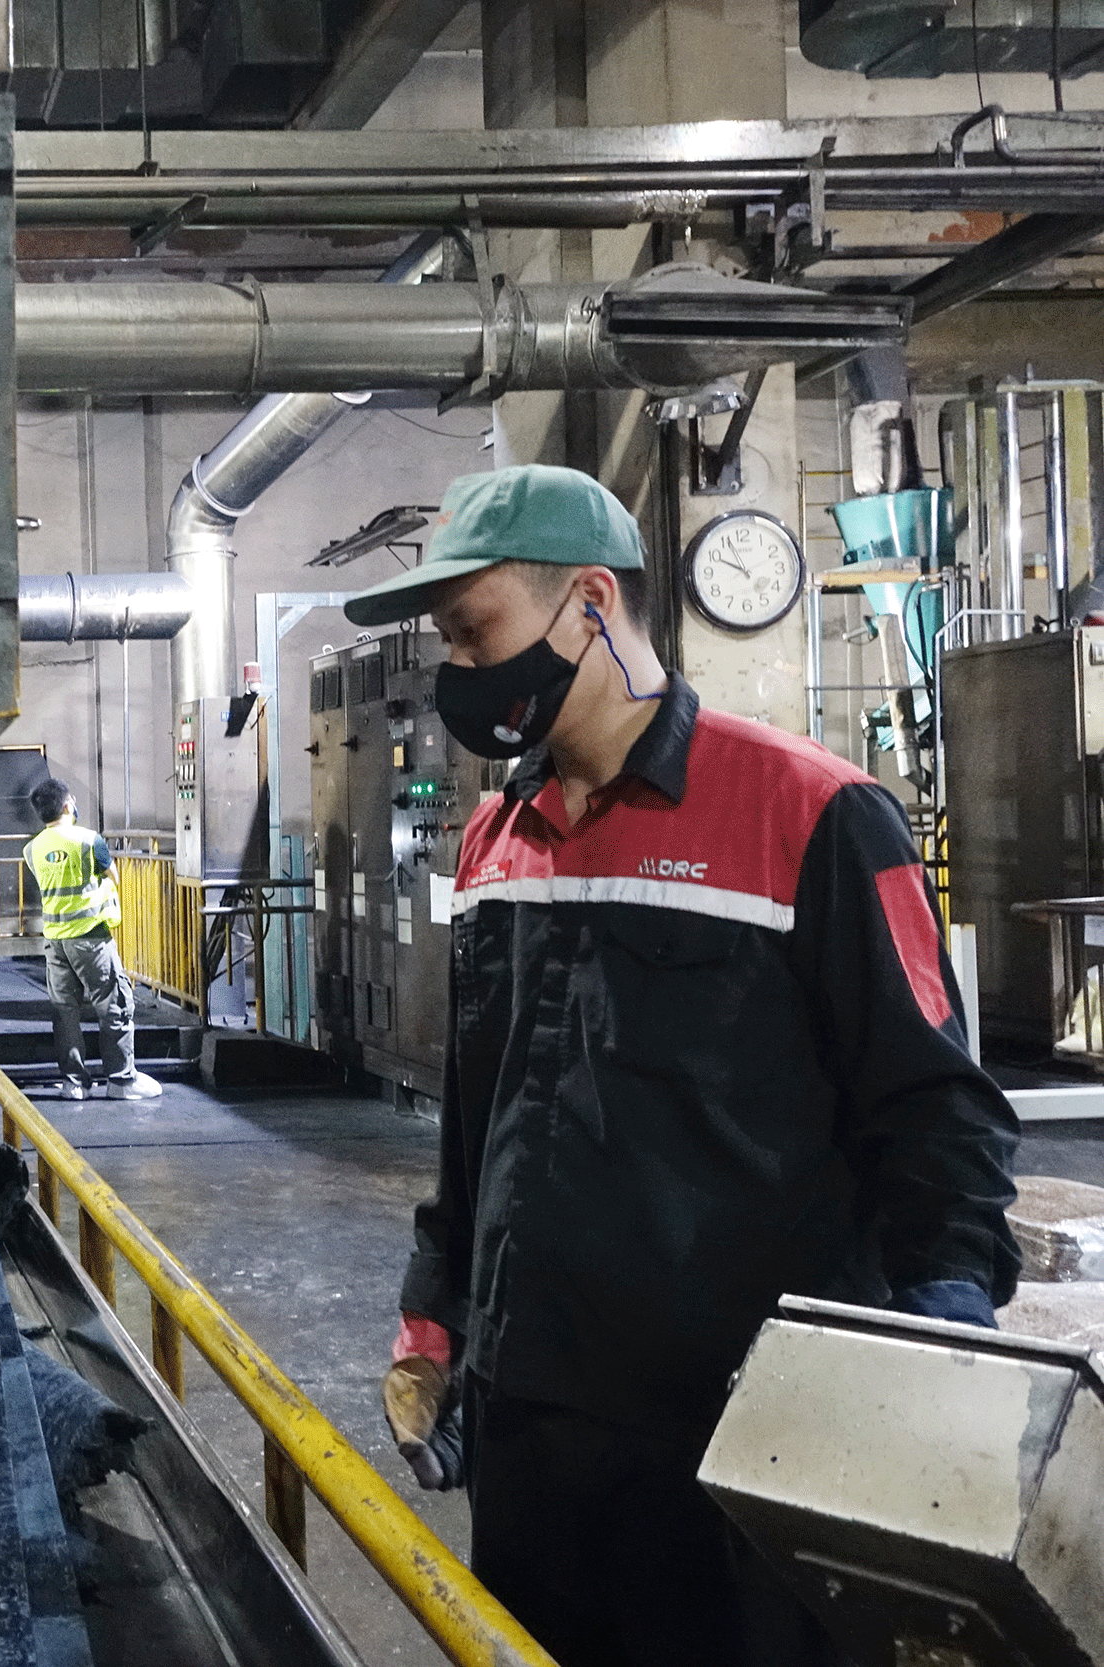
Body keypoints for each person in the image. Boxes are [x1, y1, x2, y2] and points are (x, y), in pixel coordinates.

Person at [342, 464, 1020, 1667]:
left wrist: (938, 1340)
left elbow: (936, 1110)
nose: (459, 670)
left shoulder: (811, 814)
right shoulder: (499, 833)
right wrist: (437, 1309)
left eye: (474, 631)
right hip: (538, 1421)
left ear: (591, 601)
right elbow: (476, 1110)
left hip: (742, 1431)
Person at [23, 779, 162, 1101]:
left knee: (64, 1012)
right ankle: (121, 1080)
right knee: (115, 1004)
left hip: (55, 941)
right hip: (91, 938)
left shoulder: (32, 848)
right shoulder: (89, 840)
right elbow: (111, 875)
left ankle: (74, 1083)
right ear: (68, 804)